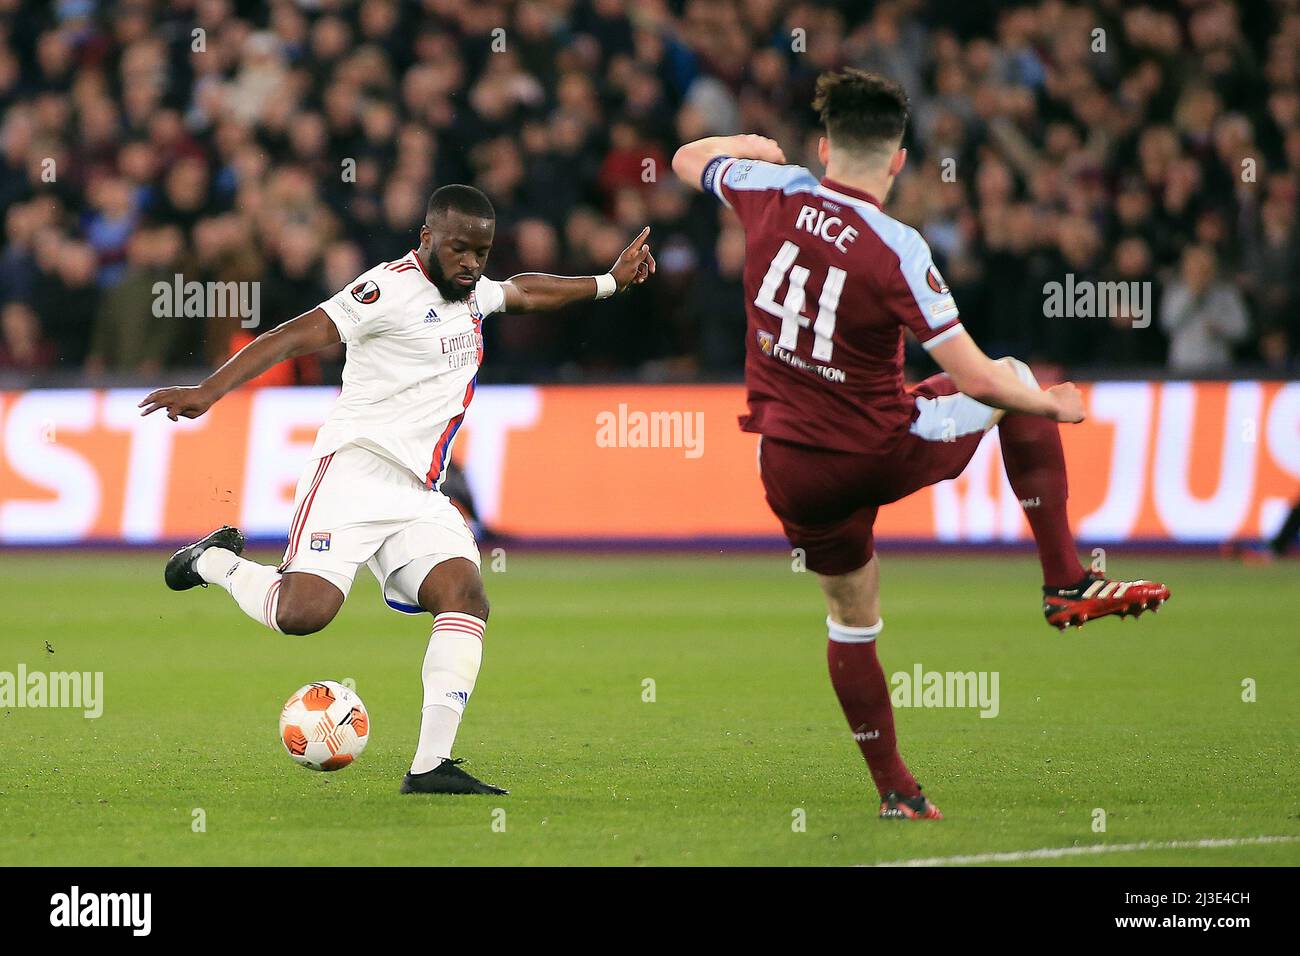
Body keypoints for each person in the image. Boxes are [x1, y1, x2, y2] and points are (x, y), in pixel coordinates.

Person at [672, 69, 1170, 821]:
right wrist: (1052, 405)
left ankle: (896, 791)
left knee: (851, 616)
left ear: (823, 144)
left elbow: (685, 159)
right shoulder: (897, 246)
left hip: (788, 465)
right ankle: (1065, 579)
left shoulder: (768, 190)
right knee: (1015, 375)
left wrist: (748, 144)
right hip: (881, 446)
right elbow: (976, 377)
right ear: (900, 160)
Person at [140, 185, 655, 795]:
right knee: (303, 616)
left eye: (480, 253)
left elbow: (524, 291)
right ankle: (216, 562)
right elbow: (294, 335)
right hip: (353, 472)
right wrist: (208, 391)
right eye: (459, 249)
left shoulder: (472, 294)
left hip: (417, 493)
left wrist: (607, 283)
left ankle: (431, 766)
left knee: (464, 595)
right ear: (427, 240)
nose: (470, 263)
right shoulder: (385, 289)